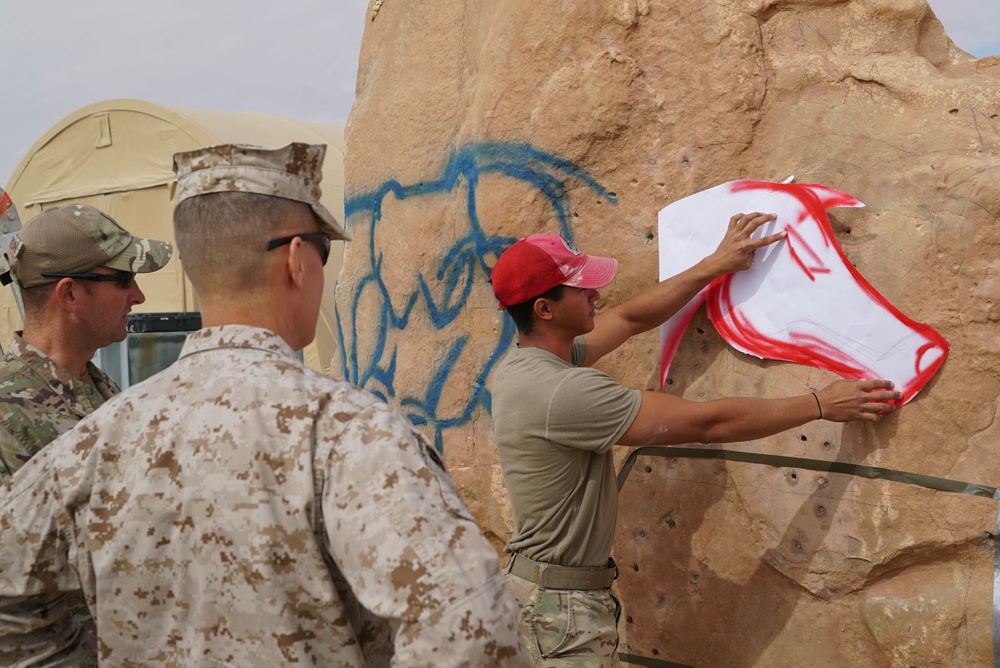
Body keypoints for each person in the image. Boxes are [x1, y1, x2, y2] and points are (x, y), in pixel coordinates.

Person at [0, 143, 527, 667]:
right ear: (298, 260)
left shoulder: (90, 443)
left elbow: (11, 599)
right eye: (323, 250)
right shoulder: (349, 433)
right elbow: (476, 637)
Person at [488, 220, 902, 666]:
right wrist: (820, 404)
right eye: (582, 289)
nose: (596, 295)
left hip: (545, 597)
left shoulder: (524, 366)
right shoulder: (564, 394)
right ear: (545, 309)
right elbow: (708, 424)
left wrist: (713, 265)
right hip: (558, 614)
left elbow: (629, 319)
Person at [0, 204, 172, 481]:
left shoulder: (97, 385)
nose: (138, 296)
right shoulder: (8, 412)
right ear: (69, 294)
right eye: (124, 279)